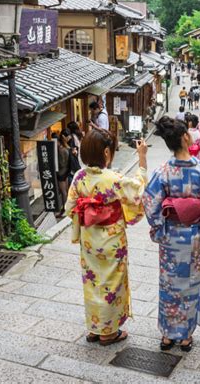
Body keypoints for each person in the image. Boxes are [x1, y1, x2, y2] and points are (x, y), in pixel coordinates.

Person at [142, 117, 200, 353]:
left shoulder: (163, 171)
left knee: (168, 284)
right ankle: (185, 335)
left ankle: (168, 335)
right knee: (189, 284)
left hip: (170, 238)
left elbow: (150, 202)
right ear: (186, 138)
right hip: (194, 238)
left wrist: (159, 227)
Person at [65, 129, 148, 346]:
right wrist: (142, 158)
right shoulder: (114, 179)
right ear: (106, 153)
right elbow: (138, 192)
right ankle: (108, 332)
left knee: (92, 281)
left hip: (89, 238)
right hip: (112, 240)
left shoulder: (79, 177)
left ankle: (95, 327)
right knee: (112, 281)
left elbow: (69, 207)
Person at [57, 129, 72, 215]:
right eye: (68, 137)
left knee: (64, 192)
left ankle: (65, 210)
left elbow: (61, 163)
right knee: (65, 191)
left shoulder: (62, 148)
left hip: (62, 173)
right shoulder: (65, 146)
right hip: (66, 171)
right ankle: (66, 209)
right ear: (63, 137)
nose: (69, 138)